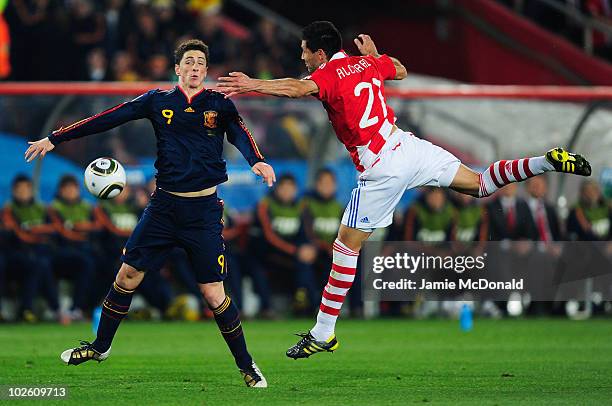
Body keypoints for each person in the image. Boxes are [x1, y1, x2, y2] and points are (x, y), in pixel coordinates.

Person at [217, 21, 593, 359]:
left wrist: (253, 84)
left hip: (382, 166)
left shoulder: (329, 73)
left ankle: (324, 332)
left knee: (345, 246)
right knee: (479, 184)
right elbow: (400, 69)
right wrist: (375, 54)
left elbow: (299, 90)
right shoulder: (366, 64)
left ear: (318, 52)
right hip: (408, 146)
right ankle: (545, 161)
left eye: (304, 52)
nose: (302, 58)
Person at [25, 39, 275, 387]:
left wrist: (257, 160)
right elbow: (108, 118)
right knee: (127, 277)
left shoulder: (219, 104)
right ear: (177, 69)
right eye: (188, 61)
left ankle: (247, 365)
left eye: (200, 62)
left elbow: (240, 135)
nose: (194, 67)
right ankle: (100, 347)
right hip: (164, 207)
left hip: (202, 211)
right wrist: (56, 138)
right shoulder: (158, 101)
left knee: (214, 294)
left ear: (206, 70)